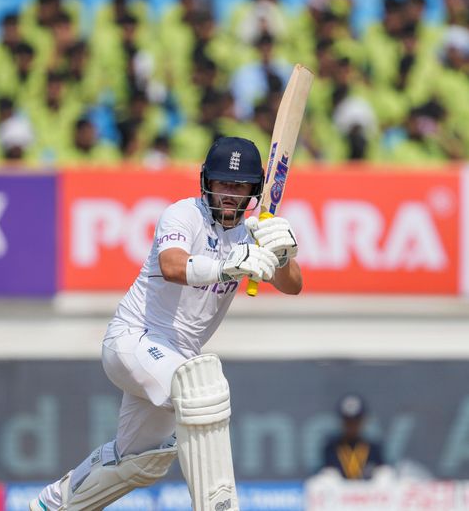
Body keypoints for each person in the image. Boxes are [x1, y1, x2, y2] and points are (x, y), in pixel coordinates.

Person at [30, 137, 302, 511]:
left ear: (253, 191)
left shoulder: (251, 233)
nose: (228, 194)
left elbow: (293, 286)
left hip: (174, 357)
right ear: (206, 180)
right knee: (202, 388)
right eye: (222, 183)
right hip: (134, 339)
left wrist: (282, 254)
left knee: (139, 463)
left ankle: (55, 503)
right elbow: (173, 266)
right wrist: (228, 264)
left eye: (238, 187)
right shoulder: (183, 214)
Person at [320, 394, 385, 480]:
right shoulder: (331, 449)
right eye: (348, 421)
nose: (352, 425)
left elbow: (383, 477)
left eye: (355, 421)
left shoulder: (373, 449)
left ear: (363, 421)